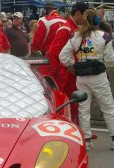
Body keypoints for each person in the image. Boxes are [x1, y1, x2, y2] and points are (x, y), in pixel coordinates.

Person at [59, 9, 114, 150]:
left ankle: (87, 141)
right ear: (97, 21)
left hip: (81, 77)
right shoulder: (105, 36)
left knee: (83, 109)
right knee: (108, 108)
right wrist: (101, 63)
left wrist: (72, 66)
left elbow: (63, 56)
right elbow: (110, 60)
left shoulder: (75, 36)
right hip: (99, 77)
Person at [48, 2, 89, 125]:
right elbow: (53, 53)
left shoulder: (76, 28)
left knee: (76, 104)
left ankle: (78, 127)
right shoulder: (66, 29)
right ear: (78, 13)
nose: (86, 19)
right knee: (67, 104)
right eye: (85, 15)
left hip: (73, 74)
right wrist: (62, 72)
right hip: (66, 76)